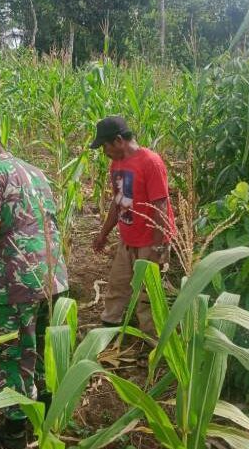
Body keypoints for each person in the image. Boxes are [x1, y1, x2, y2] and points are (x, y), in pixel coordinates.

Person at [0, 129, 68, 449]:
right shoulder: (37, 173)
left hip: (19, 279)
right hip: (54, 277)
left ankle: (14, 433)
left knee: (13, 354)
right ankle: (46, 420)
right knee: (41, 350)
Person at [90, 115, 175, 336]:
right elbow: (119, 201)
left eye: (104, 146)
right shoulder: (116, 164)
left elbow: (161, 206)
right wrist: (103, 234)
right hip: (128, 239)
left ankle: (152, 340)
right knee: (117, 285)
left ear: (118, 141)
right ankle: (109, 329)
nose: (104, 152)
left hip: (151, 240)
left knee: (148, 295)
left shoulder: (150, 162)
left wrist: (157, 249)